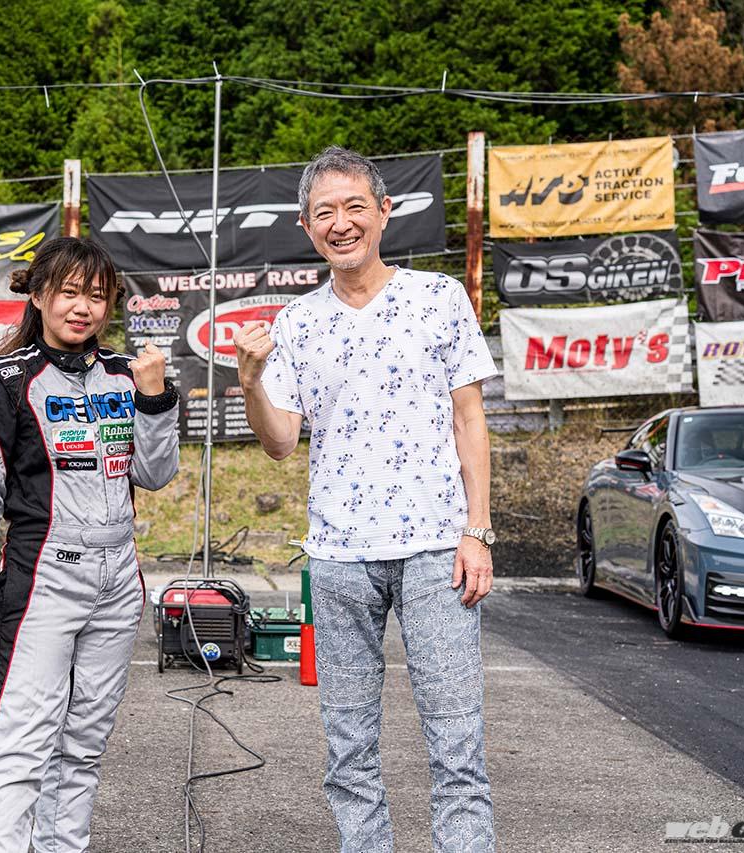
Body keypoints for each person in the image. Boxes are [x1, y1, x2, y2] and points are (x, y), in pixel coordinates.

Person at [235, 147, 498, 853]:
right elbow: (280, 442)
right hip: (339, 557)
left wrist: (478, 530)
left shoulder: (439, 297)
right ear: (306, 226)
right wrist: (250, 381)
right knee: (348, 752)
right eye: (324, 212)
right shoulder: (296, 322)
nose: (341, 223)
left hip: (438, 552)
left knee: (458, 746)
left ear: (384, 212)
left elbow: (470, 420)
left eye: (355, 206)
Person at [0, 236, 180, 853]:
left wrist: (154, 398)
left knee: (82, 746)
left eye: (97, 296)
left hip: (119, 579)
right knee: (21, 743)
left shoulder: (126, 374)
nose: (83, 307)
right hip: (43, 576)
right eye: (70, 292)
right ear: (39, 294)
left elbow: (155, 473)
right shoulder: (1, 379)